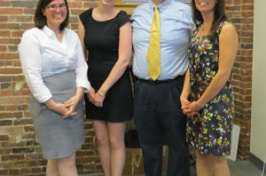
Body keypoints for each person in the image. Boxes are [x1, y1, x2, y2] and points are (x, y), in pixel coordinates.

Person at [18, 0, 91, 175]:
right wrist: (53, 105)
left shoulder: (72, 36)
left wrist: (78, 96)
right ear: (43, 10)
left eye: (62, 5)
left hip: (73, 104)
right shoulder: (32, 36)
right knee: (67, 161)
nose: (58, 10)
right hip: (48, 107)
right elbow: (32, 76)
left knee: (56, 157)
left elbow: (81, 68)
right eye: (52, 6)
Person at [131, 0, 193, 175]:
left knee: (178, 144)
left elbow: (196, 51)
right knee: (148, 144)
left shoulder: (186, 12)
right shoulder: (137, 13)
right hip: (143, 89)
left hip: (174, 89)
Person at [180, 0, 238, 175]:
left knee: (217, 158)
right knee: (201, 154)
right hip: (196, 102)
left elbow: (223, 74)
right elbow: (192, 66)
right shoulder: (198, 29)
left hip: (216, 102)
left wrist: (200, 103)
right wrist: (184, 95)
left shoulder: (226, 29)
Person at [77, 0, 133, 175]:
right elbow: (80, 57)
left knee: (116, 141)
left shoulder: (122, 19)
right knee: (101, 140)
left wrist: (103, 90)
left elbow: (124, 59)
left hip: (116, 86)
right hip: (92, 86)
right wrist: (88, 87)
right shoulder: (85, 18)